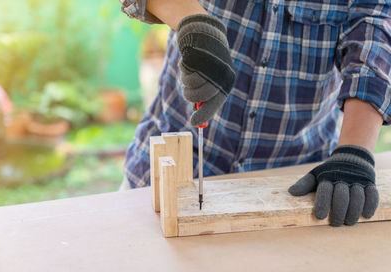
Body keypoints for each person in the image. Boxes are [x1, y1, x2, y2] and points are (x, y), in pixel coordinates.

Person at [120, 0, 391, 227]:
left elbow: (375, 23)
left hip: (294, 193)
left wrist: (354, 152)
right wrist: (193, 22)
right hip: (162, 178)